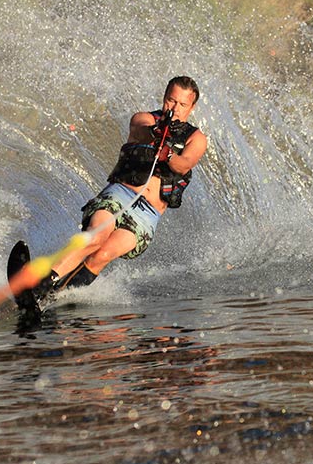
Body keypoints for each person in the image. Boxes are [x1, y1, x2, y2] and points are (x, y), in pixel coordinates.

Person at [23, 76, 207, 305]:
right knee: (96, 236)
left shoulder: (197, 139)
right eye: (171, 101)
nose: (175, 108)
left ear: (192, 107)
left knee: (104, 254)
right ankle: (43, 284)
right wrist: (156, 134)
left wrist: (167, 154)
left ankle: (54, 299)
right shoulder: (144, 119)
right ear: (164, 98)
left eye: (182, 104)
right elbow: (140, 131)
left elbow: (184, 163)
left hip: (147, 214)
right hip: (120, 194)